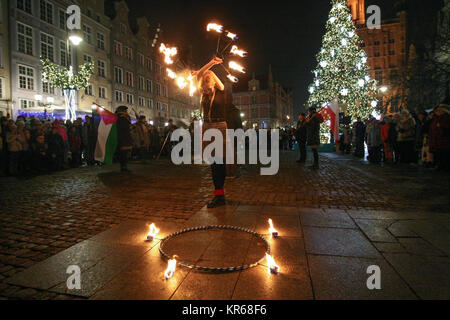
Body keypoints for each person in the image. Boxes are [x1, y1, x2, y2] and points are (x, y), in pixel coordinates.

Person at [194, 56, 229, 208]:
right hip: (207, 127)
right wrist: (210, 62)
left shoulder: (220, 91)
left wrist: (212, 69)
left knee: (218, 162)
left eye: (208, 80)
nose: (206, 87)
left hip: (219, 126)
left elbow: (209, 76)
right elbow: (198, 74)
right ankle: (219, 194)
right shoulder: (203, 95)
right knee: (213, 162)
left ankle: (219, 194)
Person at [429, 101, 450, 171]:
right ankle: (439, 165)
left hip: (443, 140)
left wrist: (441, 127)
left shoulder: (446, 117)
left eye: (439, 110)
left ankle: (443, 166)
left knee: (443, 153)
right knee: (438, 153)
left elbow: (446, 128)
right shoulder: (437, 118)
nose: (437, 111)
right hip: (437, 139)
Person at [116, 105, 133, 172]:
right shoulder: (121, 118)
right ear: (123, 111)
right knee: (123, 154)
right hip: (123, 139)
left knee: (124, 154)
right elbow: (125, 129)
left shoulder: (123, 118)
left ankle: (124, 166)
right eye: (125, 111)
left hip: (124, 138)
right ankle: (123, 167)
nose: (127, 112)